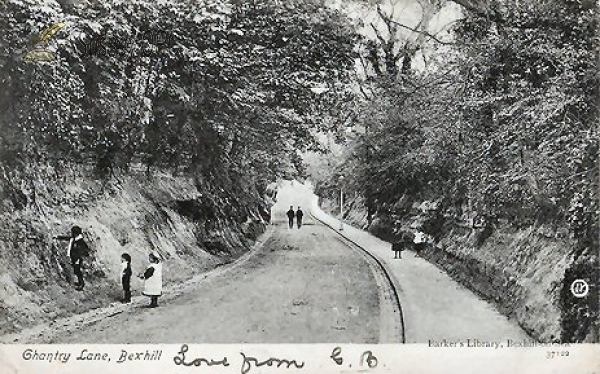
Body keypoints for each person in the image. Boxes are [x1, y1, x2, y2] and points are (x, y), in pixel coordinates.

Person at [56, 225, 89, 291]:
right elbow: (67, 238)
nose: (71, 233)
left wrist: (80, 257)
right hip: (74, 258)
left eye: (72, 232)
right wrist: (59, 237)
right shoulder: (74, 239)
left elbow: (85, 249)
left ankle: (81, 284)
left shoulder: (80, 241)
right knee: (76, 270)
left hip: (78, 258)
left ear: (75, 233)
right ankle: (80, 282)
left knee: (77, 270)